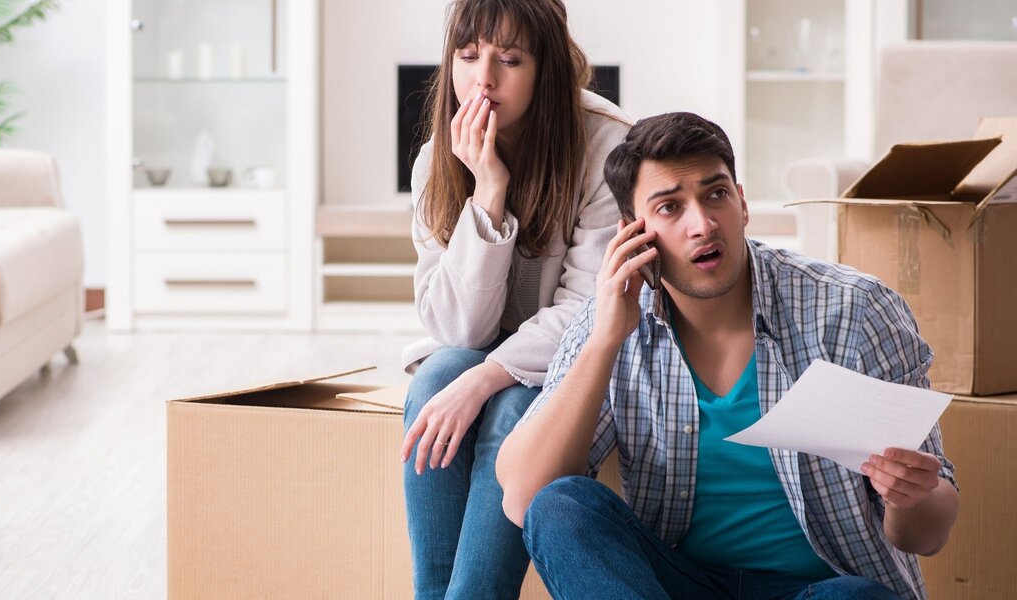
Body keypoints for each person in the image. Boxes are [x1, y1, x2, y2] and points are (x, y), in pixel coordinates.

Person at [495, 112, 959, 600]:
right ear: (634, 233)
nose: (702, 224)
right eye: (670, 208)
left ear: (741, 202)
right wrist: (605, 341)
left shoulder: (855, 309)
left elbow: (927, 535)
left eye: (715, 194)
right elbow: (526, 499)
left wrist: (909, 499)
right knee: (561, 506)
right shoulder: (607, 318)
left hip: (822, 590)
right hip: (679, 585)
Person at [397, 0, 633, 597]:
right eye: (469, 56)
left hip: (586, 359)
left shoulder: (607, 148)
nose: (484, 79)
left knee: (507, 410)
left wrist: (483, 381)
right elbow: (461, 330)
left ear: (545, 68)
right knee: (433, 379)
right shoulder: (437, 160)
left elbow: (590, 311)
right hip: (494, 348)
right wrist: (488, 191)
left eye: (509, 60)